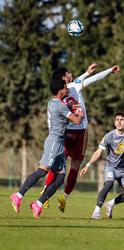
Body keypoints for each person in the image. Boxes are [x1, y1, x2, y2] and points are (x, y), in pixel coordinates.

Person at [41, 63, 120, 212]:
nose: (71, 74)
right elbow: (95, 78)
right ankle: (64, 197)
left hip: (65, 130)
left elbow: (89, 77)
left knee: (57, 164)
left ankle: (45, 193)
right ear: (64, 77)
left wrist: (86, 72)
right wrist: (109, 70)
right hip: (79, 130)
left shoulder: (60, 93)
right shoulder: (73, 86)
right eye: (69, 73)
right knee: (75, 167)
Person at [10, 79, 84, 218]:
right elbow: (78, 121)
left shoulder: (52, 102)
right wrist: (79, 111)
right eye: (65, 87)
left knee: (60, 178)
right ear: (60, 90)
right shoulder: (60, 105)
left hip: (60, 144)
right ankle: (18, 195)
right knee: (42, 171)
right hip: (54, 142)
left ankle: (38, 203)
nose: (67, 89)